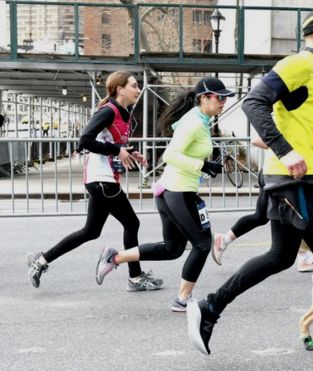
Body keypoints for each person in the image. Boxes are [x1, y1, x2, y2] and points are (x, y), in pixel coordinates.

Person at [187, 9, 313, 362]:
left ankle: (210, 306)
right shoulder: (299, 64)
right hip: (295, 181)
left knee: (281, 256)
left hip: (302, 178)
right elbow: (254, 103)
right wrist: (285, 151)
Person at [95, 77, 235, 312]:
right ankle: (182, 299)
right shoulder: (193, 122)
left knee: (173, 249)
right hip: (178, 191)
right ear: (204, 98)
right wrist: (202, 165)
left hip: (173, 190)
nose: (223, 102)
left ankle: (115, 258)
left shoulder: (200, 119)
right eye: (219, 97)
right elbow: (170, 155)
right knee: (202, 245)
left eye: (225, 98)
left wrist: (203, 164)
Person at [26, 70, 163, 292]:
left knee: (91, 231)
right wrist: (117, 150)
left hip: (104, 179)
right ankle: (135, 278)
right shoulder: (107, 112)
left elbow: (110, 143)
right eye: (134, 85)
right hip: (101, 180)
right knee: (131, 223)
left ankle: (40, 261)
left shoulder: (123, 114)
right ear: (120, 89)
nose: (138, 90)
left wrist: (130, 152)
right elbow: (85, 141)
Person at [211, 136, 313, 273]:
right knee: (296, 216)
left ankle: (223, 240)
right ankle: (303, 257)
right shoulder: (281, 117)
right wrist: (287, 151)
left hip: (278, 174)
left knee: (263, 217)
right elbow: (256, 140)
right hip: (277, 175)